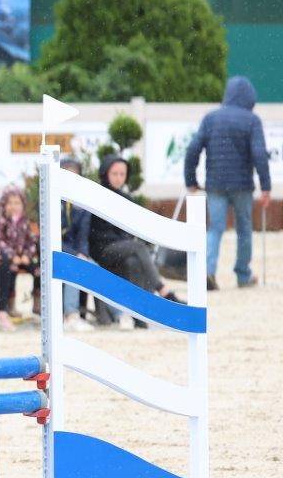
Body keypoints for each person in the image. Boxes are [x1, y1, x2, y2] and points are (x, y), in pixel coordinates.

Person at [184, 75, 272, 289]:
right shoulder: (252, 120)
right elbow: (259, 154)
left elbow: (193, 149)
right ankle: (243, 275)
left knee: (215, 228)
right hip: (242, 185)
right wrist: (266, 187)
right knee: (244, 229)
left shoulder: (210, 118)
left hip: (216, 184)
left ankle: (208, 272)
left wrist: (191, 180)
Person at [89, 155, 182, 329]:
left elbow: (134, 229)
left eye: (122, 174)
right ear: (105, 173)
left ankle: (139, 315)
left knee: (134, 262)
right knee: (138, 248)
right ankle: (162, 289)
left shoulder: (127, 199)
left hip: (124, 250)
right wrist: (124, 241)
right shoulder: (95, 195)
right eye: (114, 173)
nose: (118, 178)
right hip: (102, 251)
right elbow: (97, 234)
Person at [0, 185, 37, 331]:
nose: (14, 206)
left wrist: (27, 255)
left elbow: (31, 241)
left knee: (39, 269)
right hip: (8, 258)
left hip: (22, 257)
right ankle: (4, 308)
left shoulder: (25, 222)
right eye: (10, 203)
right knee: (6, 268)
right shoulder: (0, 221)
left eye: (17, 203)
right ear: (4, 205)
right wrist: (13, 256)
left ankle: (39, 305)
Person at [59, 156, 94, 331]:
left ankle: (119, 315)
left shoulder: (83, 203)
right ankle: (70, 315)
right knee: (74, 265)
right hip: (55, 249)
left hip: (76, 250)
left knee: (94, 267)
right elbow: (51, 236)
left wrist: (83, 253)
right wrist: (76, 255)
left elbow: (83, 236)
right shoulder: (51, 199)